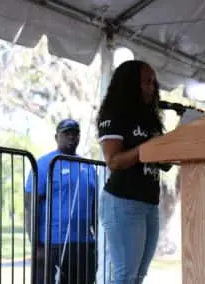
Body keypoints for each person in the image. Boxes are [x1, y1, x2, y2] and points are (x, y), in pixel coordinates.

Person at [96, 60, 171, 284]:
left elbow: (162, 163)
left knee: (138, 276)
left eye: (153, 83)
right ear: (129, 85)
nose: (151, 88)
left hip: (149, 203)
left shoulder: (150, 119)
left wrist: (175, 144)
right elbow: (114, 161)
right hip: (123, 203)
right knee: (125, 276)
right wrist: (147, 148)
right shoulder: (114, 115)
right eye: (145, 82)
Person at [25, 119, 98, 284]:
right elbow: (30, 207)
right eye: (67, 133)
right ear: (56, 136)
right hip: (52, 245)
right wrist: (36, 245)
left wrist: (98, 242)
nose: (72, 137)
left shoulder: (89, 166)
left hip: (84, 245)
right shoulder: (44, 164)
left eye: (75, 133)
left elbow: (95, 210)